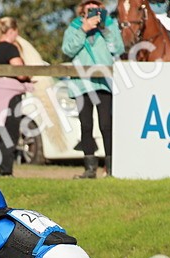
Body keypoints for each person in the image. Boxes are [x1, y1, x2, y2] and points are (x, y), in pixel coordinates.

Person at [62, 0, 124, 179]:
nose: (92, 10)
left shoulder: (109, 27)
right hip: (81, 83)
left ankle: (112, 168)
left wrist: (104, 29)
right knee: (86, 125)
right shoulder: (73, 27)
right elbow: (68, 50)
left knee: (106, 124)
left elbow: (118, 49)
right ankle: (90, 169)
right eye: (88, 8)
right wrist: (83, 30)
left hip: (103, 82)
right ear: (82, 10)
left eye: (95, 7)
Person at [0, 17, 32, 177]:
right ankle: (6, 170)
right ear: (12, 31)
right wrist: (28, 75)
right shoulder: (10, 49)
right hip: (9, 95)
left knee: (2, 131)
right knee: (11, 133)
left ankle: (1, 166)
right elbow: (20, 72)